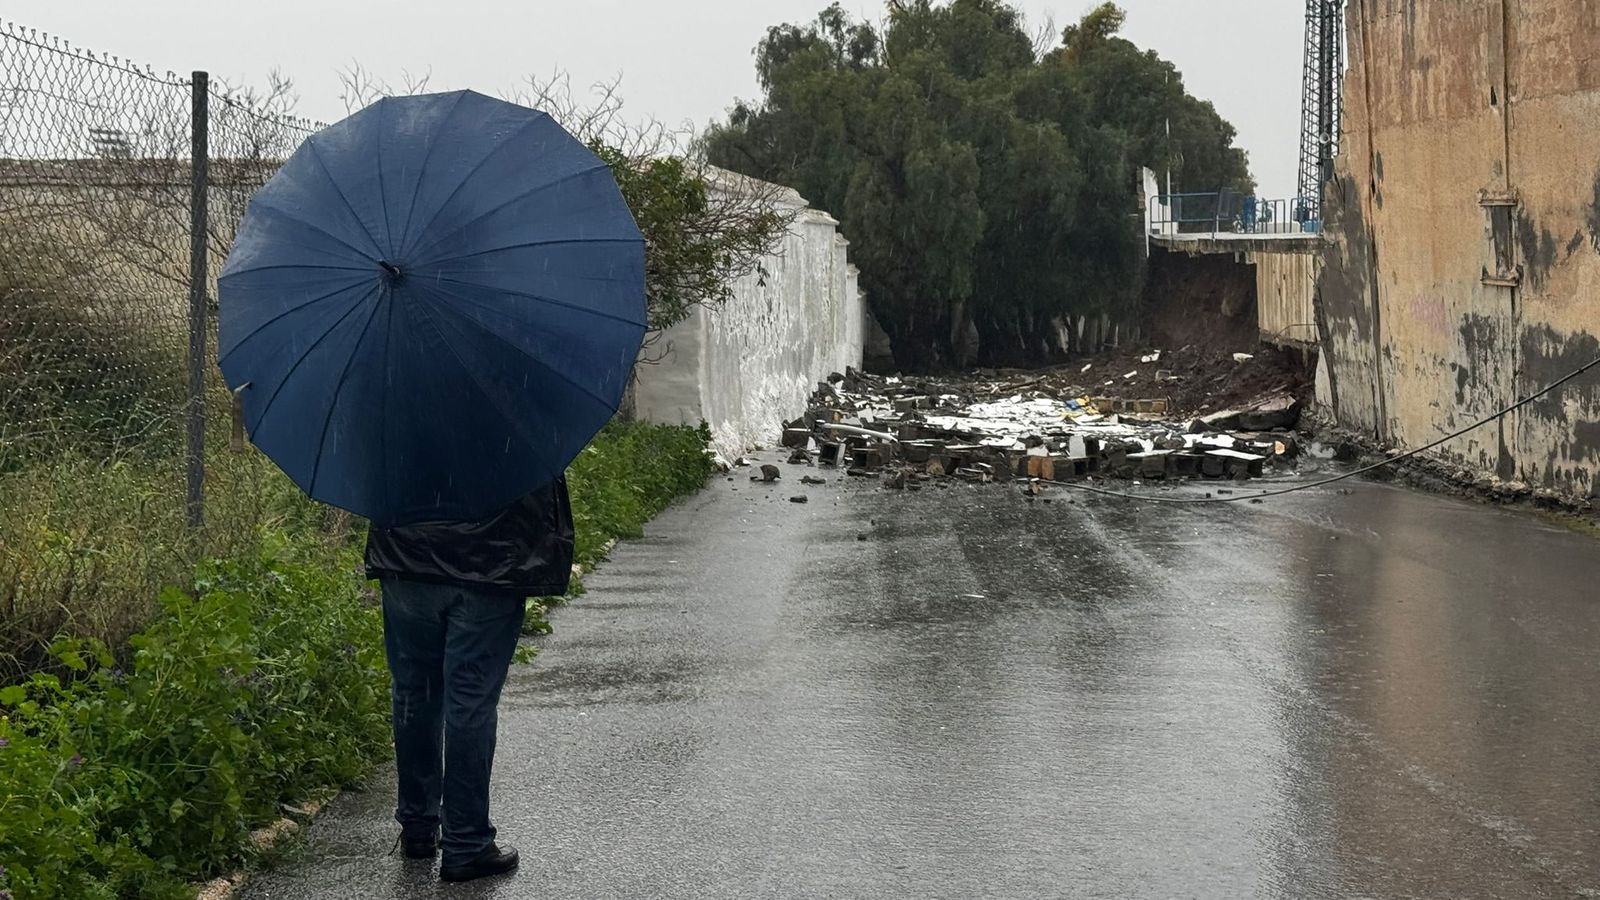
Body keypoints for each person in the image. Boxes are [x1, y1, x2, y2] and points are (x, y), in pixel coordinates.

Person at [365, 477, 574, 883]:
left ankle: (418, 827)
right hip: (489, 561)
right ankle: (466, 843)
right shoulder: (515, 413)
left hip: (406, 555)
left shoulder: (394, 412)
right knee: (470, 700)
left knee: (414, 692)